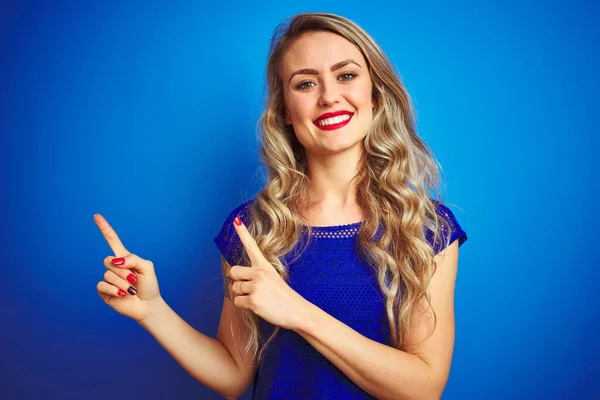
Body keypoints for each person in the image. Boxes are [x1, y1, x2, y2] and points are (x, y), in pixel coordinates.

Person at [95, 12, 467, 400]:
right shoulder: (252, 228)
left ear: (375, 94)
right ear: (286, 111)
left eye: (346, 75)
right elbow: (234, 375)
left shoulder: (427, 228)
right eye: (306, 83)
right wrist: (153, 311)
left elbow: (423, 389)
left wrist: (299, 312)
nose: (328, 96)